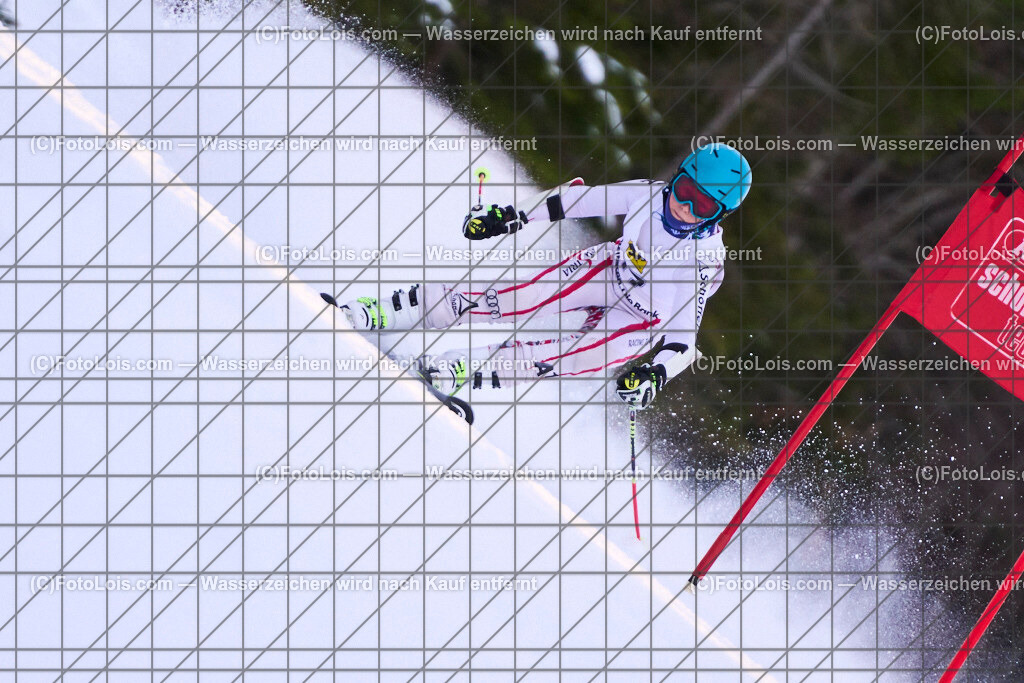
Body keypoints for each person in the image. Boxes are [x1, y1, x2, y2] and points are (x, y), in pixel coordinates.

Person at [339, 143, 752, 410]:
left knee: (586, 356)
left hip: (643, 318)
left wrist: (655, 375)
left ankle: (460, 368)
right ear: (676, 178)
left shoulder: (702, 261)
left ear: (719, 215)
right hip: (610, 268)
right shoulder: (649, 193)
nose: (684, 206)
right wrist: (512, 216)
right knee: (518, 296)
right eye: (683, 189)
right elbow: (577, 199)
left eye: (701, 205)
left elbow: (682, 339)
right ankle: (384, 311)